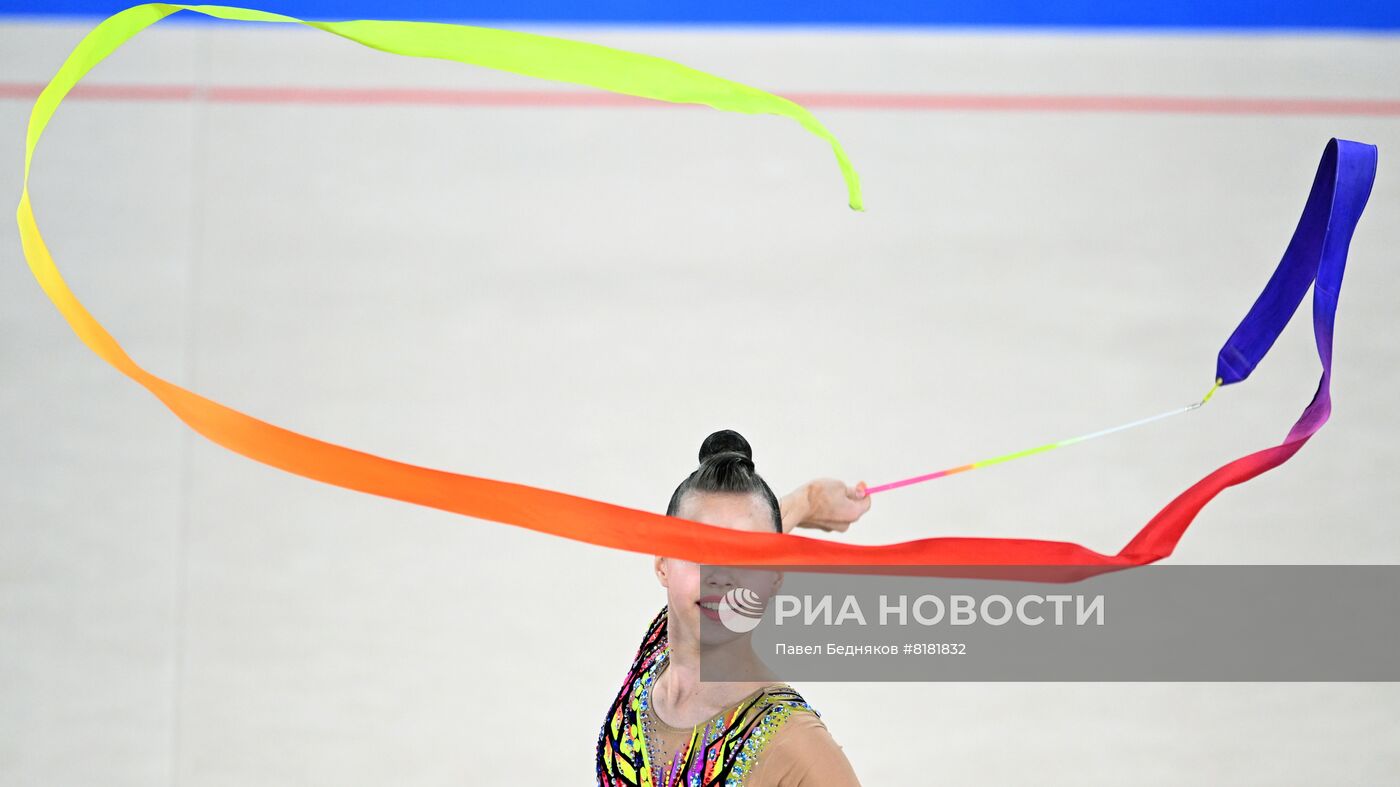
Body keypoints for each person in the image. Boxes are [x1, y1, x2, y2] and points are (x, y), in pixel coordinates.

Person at [597, 429, 870, 785]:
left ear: (774, 578)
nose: (720, 576)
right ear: (662, 563)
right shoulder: (662, 640)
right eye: (699, 550)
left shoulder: (799, 749)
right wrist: (808, 501)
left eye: (744, 556)